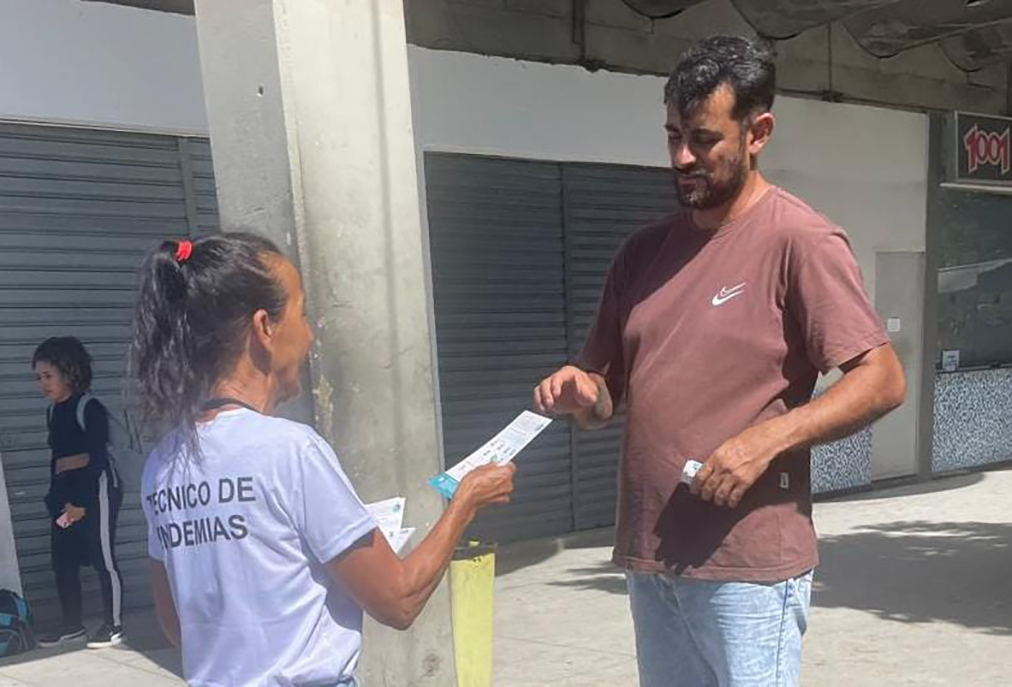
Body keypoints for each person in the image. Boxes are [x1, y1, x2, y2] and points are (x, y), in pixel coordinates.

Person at [533, 36, 906, 687]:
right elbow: (603, 397)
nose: (682, 156)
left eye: (703, 139)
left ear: (758, 133)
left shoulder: (800, 241)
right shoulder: (641, 254)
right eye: (673, 135)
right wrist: (582, 391)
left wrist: (766, 440)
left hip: (748, 566)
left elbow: (882, 379)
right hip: (651, 555)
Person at [131, 233, 514, 686]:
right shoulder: (291, 451)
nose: (310, 334)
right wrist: (465, 502)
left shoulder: (163, 465)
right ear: (264, 327)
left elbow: (179, 627)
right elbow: (399, 600)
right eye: (302, 312)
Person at [33, 337, 125, 650]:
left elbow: (96, 458)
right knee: (63, 559)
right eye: (38, 377)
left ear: (70, 373)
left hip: (96, 493)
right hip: (67, 501)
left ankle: (113, 625)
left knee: (102, 557)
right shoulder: (52, 412)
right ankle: (72, 626)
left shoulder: (90, 407)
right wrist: (56, 502)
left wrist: (81, 504)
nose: (42, 384)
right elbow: (59, 460)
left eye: (48, 376)